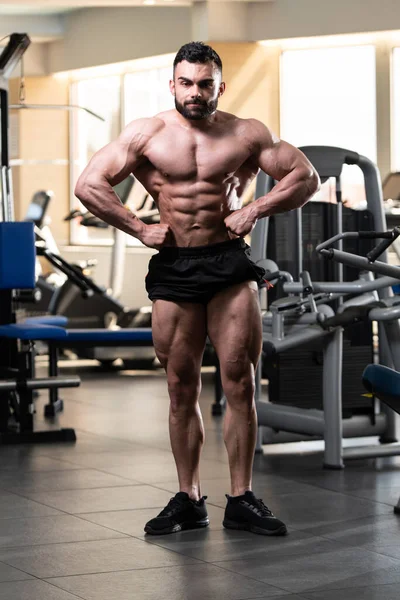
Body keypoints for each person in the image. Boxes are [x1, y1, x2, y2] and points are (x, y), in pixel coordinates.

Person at [75, 41, 320, 537]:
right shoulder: (146, 133)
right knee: (179, 385)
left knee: (240, 380)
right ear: (172, 84)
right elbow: (88, 184)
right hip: (175, 266)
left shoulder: (246, 133)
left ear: (219, 86)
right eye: (186, 83)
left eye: (205, 83)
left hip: (228, 263)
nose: (195, 92)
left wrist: (253, 209)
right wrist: (138, 228)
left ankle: (241, 497)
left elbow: (304, 176)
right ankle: (188, 498)